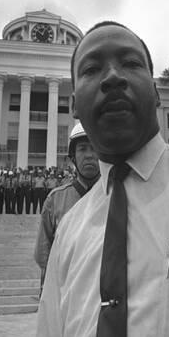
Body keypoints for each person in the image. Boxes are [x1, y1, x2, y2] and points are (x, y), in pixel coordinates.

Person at [33, 21, 169, 337]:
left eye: (130, 63)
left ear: (155, 92)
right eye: (92, 69)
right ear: (74, 106)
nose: (112, 77)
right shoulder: (69, 229)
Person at [34, 122, 100, 293]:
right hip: (67, 289)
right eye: (82, 149)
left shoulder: (115, 195)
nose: (89, 155)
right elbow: (43, 251)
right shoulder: (56, 199)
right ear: (73, 157)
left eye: (94, 148)